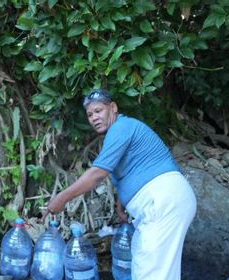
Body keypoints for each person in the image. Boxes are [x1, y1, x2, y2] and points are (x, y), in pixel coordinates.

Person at [43, 89, 197, 280]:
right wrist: (121, 202)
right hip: (160, 202)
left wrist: (62, 198)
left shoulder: (121, 127)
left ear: (113, 108)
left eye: (98, 111)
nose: (94, 118)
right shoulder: (118, 132)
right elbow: (126, 170)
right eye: (90, 115)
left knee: (153, 272)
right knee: (147, 265)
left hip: (163, 199)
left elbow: (98, 173)